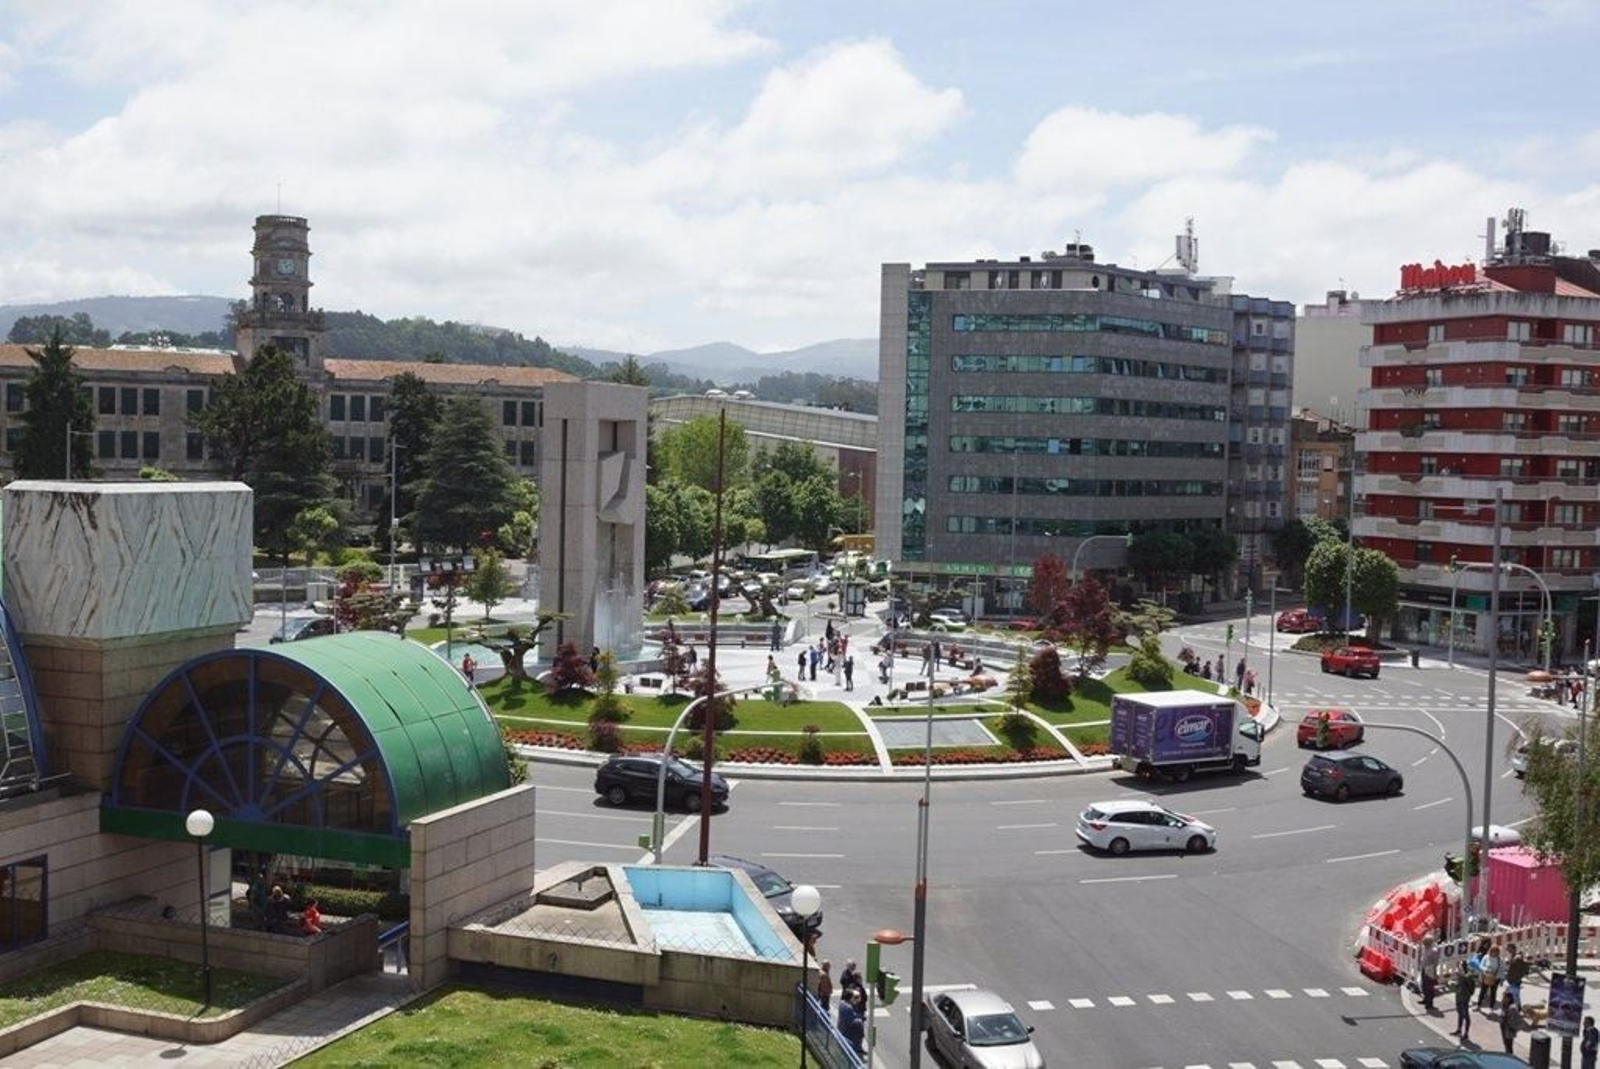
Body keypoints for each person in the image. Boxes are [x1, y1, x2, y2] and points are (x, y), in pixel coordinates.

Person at [837, 990, 864, 1056]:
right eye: (853, 997)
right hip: (847, 1030)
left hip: (841, 1027)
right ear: (850, 997)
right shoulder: (849, 1007)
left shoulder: (842, 1003)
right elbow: (851, 1022)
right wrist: (859, 1020)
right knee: (849, 1048)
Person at [1478, 940, 1502, 1009]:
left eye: (1495, 952)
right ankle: (1479, 1004)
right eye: (1493, 951)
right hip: (1486, 977)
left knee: (1493, 993)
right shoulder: (1486, 957)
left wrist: (1499, 977)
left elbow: (1501, 969)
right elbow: (1481, 966)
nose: (1494, 953)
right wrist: (1486, 969)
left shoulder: (1499, 960)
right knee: (1482, 992)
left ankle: (1492, 1006)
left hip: (1495, 978)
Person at [1419, 932, 1440, 1012]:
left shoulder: (1434, 950)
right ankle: (1425, 999)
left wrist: (1434, 972)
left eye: (1425, 942)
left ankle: (1429, 1003)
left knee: (1429, 987)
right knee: (1424, 985)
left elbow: (1435, 962)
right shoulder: (1425, 947)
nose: (1423, 944)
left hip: (1430, 969)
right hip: (1424, 968)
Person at [1504, 946, 1529, 1011]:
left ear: (1514, 949)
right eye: (1508, 951)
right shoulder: (1515, 956)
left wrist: (1508, 962)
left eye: (1510, 950)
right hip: (1514, 979)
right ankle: (1518, 1007)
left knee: (1514, 995)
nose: (1509, 952)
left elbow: (1515, 964)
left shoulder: (1517, 957)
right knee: (1515, 994)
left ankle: (1516, 1008)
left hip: (1514, 979)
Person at [1453, 967, 1475, 1040]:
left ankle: (1466, 1033)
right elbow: (1458, 985)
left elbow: (1466, 981)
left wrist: (1460, 975)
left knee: (1466, 1015)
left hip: (1464, 998)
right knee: (1460, 1014)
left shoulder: (1468, 977)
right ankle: (1459, 1029)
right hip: (1459, 997)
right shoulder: (1461, 977)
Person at [1499, 989, 1518, 1053]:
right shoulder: (1504, 1006)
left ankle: (1510, 1056)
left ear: (1509, 998)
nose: (1503, 999)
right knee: (1506, 1044)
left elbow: (1513, 1021)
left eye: (1505, 997)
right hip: (1504, 1028)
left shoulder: (1512, 1008)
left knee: (1509, 1045)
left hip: (1509, 1029)